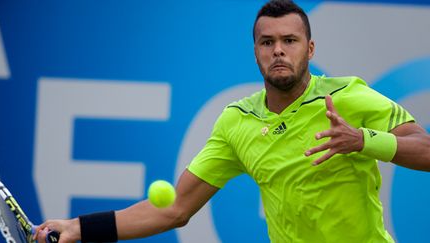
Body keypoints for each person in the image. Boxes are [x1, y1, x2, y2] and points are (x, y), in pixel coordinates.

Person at [35, 0, 430, 242]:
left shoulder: (348, 96)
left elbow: (426, 150)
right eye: (267, 42)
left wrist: (363, 140)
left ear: (309, 49)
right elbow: (173, 209)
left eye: (289, 41)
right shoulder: (236, 122)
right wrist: (78, 228)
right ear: (255, 51)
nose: (278, 51)